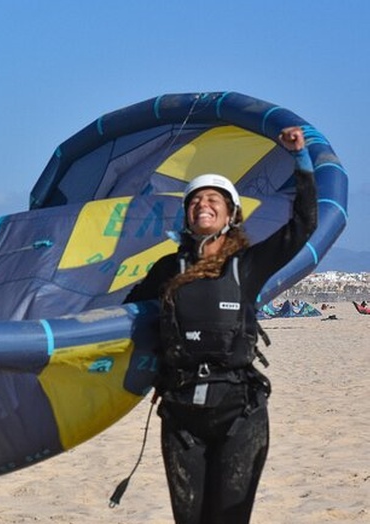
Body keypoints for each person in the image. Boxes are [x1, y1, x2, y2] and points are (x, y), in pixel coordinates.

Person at [124, 126, 317, 523]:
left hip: (239, 413)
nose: (203, 205)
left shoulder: (247, 264)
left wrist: (300, 159)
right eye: (195, 201)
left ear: (230, 214)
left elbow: (304, 225)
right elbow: (124, 317)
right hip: (181, 414)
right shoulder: (166, 269)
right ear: (188, 215)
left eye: (213, 200)